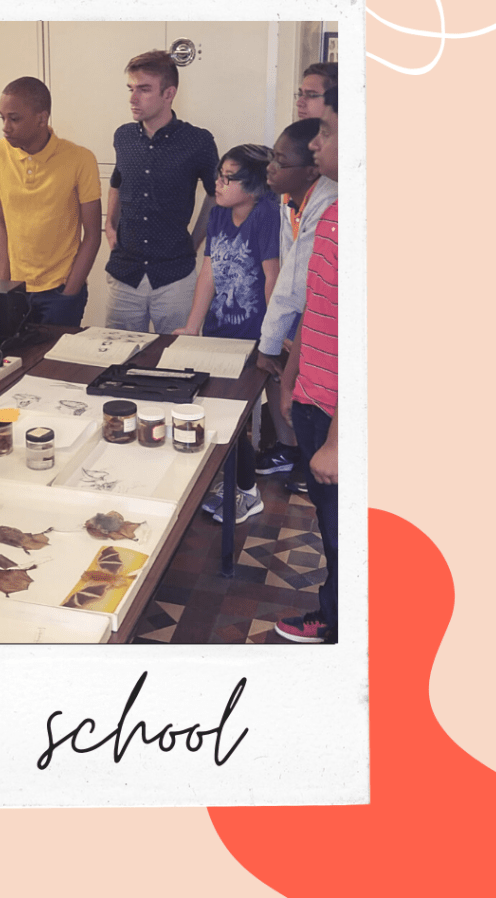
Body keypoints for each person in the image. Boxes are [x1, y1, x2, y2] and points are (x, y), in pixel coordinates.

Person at [174, 144, 279, 524]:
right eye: (218, 175)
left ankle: (248, 493)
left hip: (253, 335)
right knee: (214, 409)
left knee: (233, 416)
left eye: (228, 178)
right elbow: (209, 272)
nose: (217, 184)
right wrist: (193, 325)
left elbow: (272, 278)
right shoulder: (219, 213)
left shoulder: (266, 215)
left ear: (254, 186)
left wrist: (272, 339)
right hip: (220, 330)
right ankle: (231, 482)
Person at [275, 85, 339, 644]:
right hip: (313, 394)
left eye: (329, 131)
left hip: (339, 412)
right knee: (329, 523)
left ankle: (343, 628)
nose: (318, 142)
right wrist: (292, 378)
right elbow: (316, 305)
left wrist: (339, 439)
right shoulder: (335, 212)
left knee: (345, 531)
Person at [104, 50, 219, 334]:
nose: (133, 98)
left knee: (177, 353)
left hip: (174, 275)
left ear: (169, 93)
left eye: (144, 89)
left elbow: (216, 194)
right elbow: (117, 181)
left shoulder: (198, 141)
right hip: (125, 273)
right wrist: (109, 224)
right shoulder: (123, 136)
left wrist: (195, 240)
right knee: (117, 352)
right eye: (131, 89)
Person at [254, 118, 338, 489]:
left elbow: (293, 285)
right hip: (306, 324)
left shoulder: (328, 204)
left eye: (281, 161)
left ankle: (311, 459)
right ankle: (299, 453)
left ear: (310, 171)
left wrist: (268, 345)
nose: (271, 168)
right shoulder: (290, 200)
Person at [0, 76, 102, 327]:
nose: (5, 127)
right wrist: (4, 286)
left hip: (60, 292)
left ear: (41, 118)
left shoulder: (80, 159)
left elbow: (93, 234)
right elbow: (4, 224)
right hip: (16, 289)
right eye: (2, 118)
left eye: (14, 119)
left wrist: (70, 292)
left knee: (55, 354)